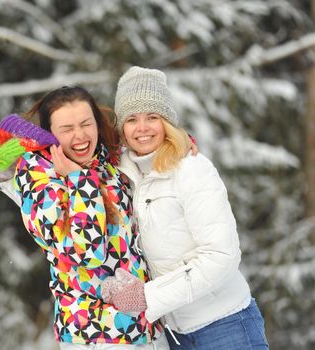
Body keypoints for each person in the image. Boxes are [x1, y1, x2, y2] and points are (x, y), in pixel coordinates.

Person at [0, 86, 169, 349]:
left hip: (145, 329)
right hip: (95, 334)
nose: (79, 135)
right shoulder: (38, 178)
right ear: (50, 135)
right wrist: (79, 179)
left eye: (86, 123)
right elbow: (87, 252)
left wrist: (174, 147)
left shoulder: (105, 161)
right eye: (66, 129)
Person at [101, 66, 269, 350]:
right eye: (132, 119)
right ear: (122, 128)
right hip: (175, 334)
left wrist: (148, 297)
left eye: (152, 117)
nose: (142, 128)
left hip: (225, 326)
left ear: (167, 122)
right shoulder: (123, 175)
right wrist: (7, 173)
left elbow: (222, 256)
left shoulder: (191, 169)